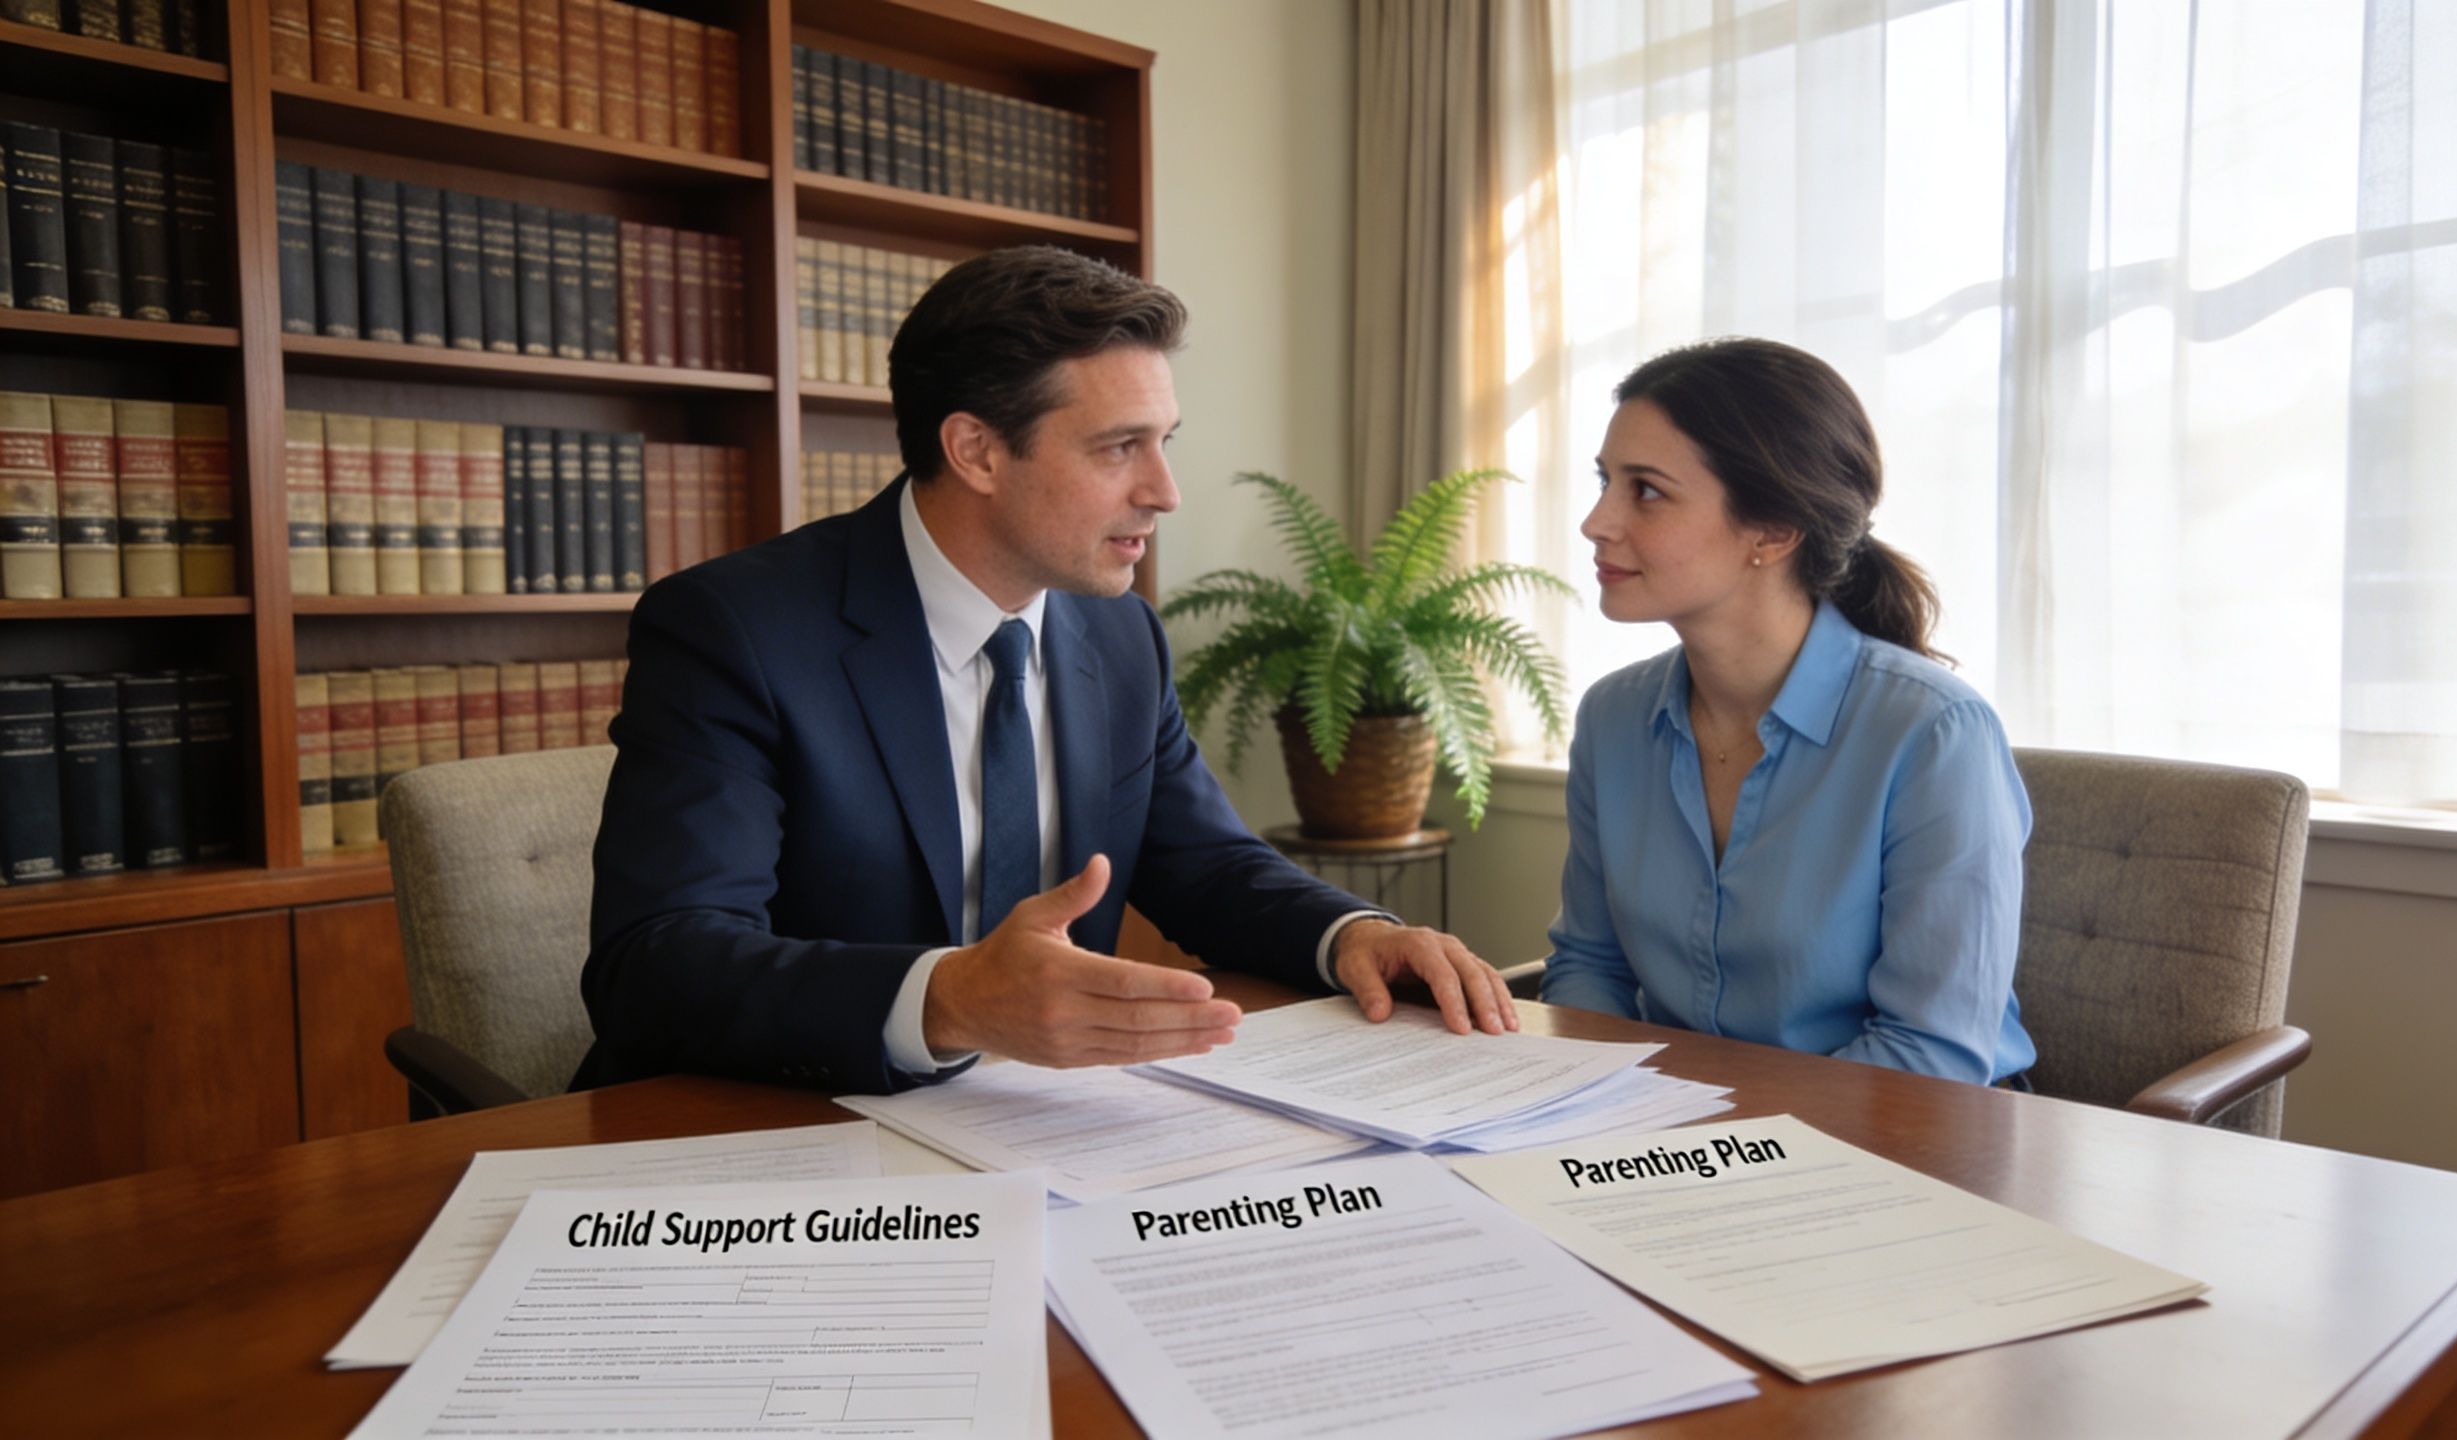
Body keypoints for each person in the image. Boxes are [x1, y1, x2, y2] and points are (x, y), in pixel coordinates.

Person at [577, 245, 1516, 1095]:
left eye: (1165, 441)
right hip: (779, 1129)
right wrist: (949, 998)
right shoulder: (737, 629)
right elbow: (658, 964)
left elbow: (1209, 866)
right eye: (1119, 448)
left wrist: (1356, 935)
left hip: (1040, 1128)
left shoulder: (1122, 640)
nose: (1165, 491)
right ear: (977, 451)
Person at [1541, 338, 2035, 1085]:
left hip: (1906, 1140)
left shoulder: (1933, 734)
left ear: (1772, 531)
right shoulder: (1613, 719)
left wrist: (1705, 1140)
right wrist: (1610, 1111)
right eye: (1606, 480)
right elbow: (1590, 967)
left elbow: (1932, 1051)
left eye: (1645, 490)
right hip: (1675, 1142)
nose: (1596, 521)